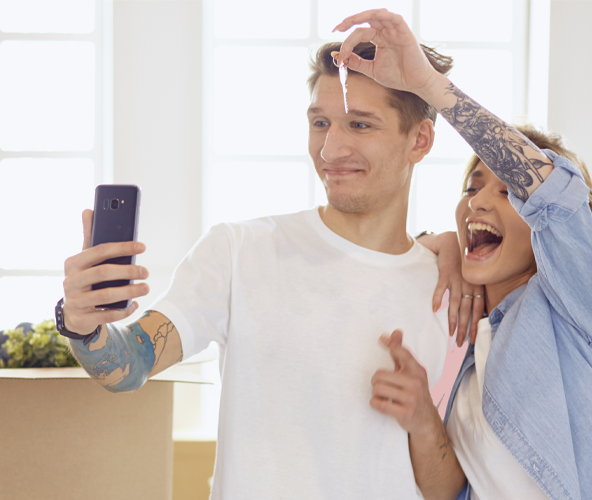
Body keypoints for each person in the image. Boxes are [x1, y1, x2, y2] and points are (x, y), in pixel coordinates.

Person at [58, 29, 482, 500]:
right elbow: (129, 365)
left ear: (420, 139)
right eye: (320, 123)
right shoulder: (239, 250)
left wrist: (424, 423)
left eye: (360, 125)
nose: (330, 149)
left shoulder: (455, 292)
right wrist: (84, 326)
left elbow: (450, 491)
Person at [332, 8, 592, 499]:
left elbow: (557, 200)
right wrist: (422, 420)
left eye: (508, 193)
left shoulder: (577, 312)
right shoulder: (467, 342)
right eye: (473, 186)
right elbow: (450, 490)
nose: (478, 199)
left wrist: (427, 84)